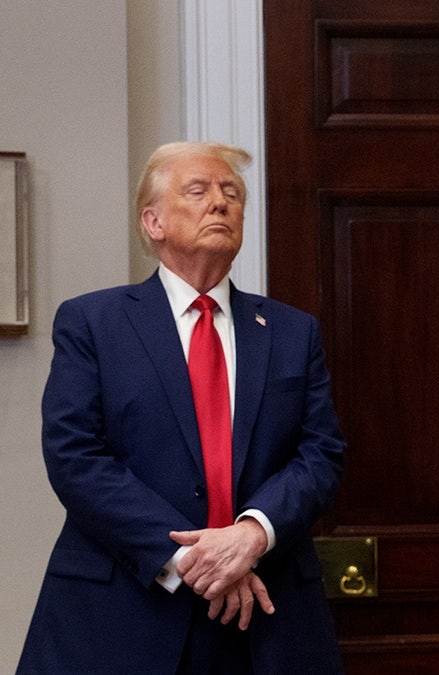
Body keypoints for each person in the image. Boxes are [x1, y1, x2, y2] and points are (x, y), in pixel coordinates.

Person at [19, 142, 345, 673]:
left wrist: (252, 534)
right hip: (124, 612)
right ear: (153, 221)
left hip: (267, 617)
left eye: (232, 193)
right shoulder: (92, 323)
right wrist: (196, 560)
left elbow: (321, 455)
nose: (221, 203)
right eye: (198, 191)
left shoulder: (292, 332)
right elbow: (75, 457)